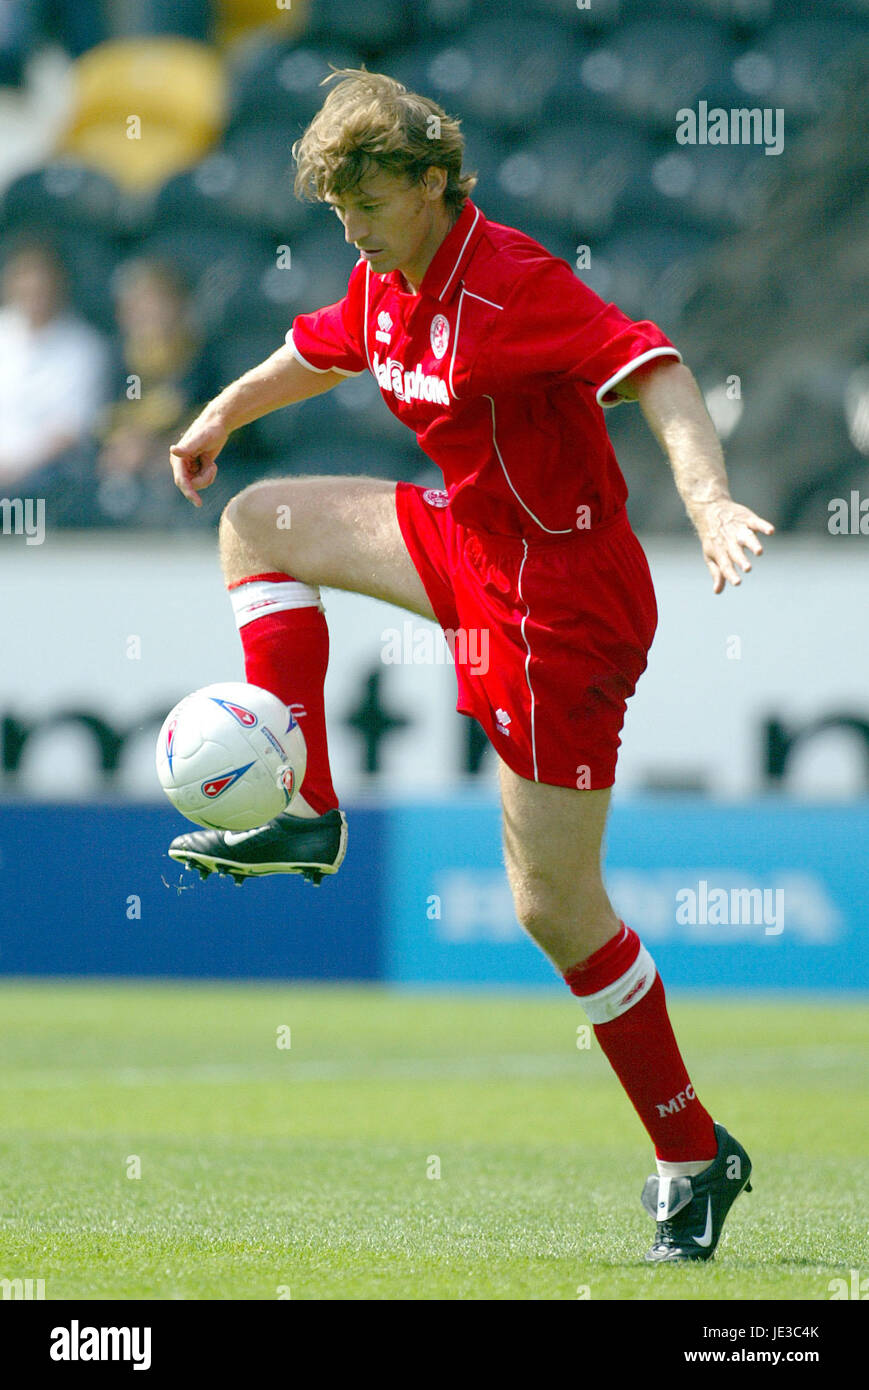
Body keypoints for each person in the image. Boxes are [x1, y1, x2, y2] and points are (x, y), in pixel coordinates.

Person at [166, 69, 774, 1264]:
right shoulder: (384, 276)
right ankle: (304, 803)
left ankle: (691, 1153)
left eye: (372, 209)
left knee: (553, 910)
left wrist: (705, 504)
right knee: (258, 522)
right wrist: (220, 419)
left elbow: (654, 366)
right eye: (338, 215)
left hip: (561, 605)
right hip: (467, 540)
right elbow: (320, 349)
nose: (353, 234)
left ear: (436, 185)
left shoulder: (511, 284)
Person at [0, 240, 108, 494]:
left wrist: (12, 470)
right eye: (24, 280)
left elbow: (69, 432)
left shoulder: (85, 348)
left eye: (42, 285)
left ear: (58, 285)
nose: (33, 292)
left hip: (40, 478)